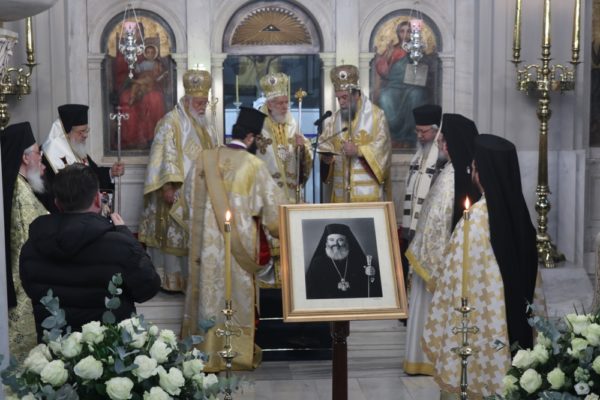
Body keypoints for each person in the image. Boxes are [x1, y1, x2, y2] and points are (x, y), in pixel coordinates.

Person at [422, 134, 539, 398]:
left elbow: (452, 280)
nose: (472, 173)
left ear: (481, 173)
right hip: (516, 331)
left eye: (474, 167)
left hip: (478, 333)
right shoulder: (522, 219)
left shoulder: (474, 220)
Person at [181, 107, 287, 372]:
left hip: (206, 251)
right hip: (238, 249)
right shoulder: (253, 165)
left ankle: (203, 352)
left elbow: (184, 205)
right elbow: (275, 216)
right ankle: (233, 354)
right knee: (235, 295)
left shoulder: (204, 159)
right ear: (250, 138)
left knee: (209, 295)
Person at [20, 164, 161, 341]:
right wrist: (127, 235)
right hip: (108, 349)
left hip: (56, 349)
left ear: (57, 203)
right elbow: (148, 288)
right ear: (97, 199)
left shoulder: (32, 246)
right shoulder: (120, 245)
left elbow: (31, 290)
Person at [403, 113, 480, 376]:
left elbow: (439, 224)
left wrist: (427, 260)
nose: (439, 143)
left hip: (435, 264)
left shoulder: (454, 176)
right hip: (429, 258)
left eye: (443, 139)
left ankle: (429, 359)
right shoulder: (450, 171)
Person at [138, 69, 219, 292]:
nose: (202, 107)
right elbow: (164, 155)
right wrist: (168, 187)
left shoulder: (206, 125)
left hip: (200, 192)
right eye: (199, 103)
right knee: (174, 237)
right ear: (188, 99)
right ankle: (172, 282)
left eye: (205, 102)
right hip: (177, 191)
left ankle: (192, 281)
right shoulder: (171, 122)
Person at [1, 122, 49, 359]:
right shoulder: (21, 192)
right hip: (23, 283)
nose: (41, 159)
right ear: (25, 157)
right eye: (38, 153)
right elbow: (31, 238)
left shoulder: (20, 184)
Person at [318, 64, 391, 203]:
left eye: (344, 97)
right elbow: (325, 144)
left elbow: (384, 150)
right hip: (341, 194)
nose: (341, 102)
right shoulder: (335, 119)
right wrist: (326, 159)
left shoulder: (376, 116)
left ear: (356, 94)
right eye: (338, 98)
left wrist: (358, 151)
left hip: (367, 194)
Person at [41, 104, 125, 213]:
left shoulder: (75, 148)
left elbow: (93, 174)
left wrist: (111, 172)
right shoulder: (49, 155)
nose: (85, 135)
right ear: (66, 132)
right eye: (81, 131)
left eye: (86, 130)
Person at [400, 104, 443, 292]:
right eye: (417, 131)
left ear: (435, 130)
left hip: (429, 228)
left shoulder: (441, 157)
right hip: (412, 227)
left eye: (423, 132)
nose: (419, 135)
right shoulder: (418, 155)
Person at [257, 72, 313, 202]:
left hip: (291, 191)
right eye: (280, 103)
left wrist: (302, 148)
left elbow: (306, 155)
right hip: (267, 193)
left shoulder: (292, 124)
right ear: (269, 105)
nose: (285, 107)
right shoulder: (259, 126)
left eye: (286, 102)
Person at [373, 20, 429, 148]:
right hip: (394, 85)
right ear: (398, 33)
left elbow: (425, 69)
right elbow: (382, 70)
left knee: (417, 95)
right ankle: (393, 135)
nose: (405, 34)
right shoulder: (392, 49)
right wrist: (388, 54)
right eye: (402, 31)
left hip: (412, 86)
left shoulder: (417, 49)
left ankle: (411, 135)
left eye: (408, 31)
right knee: (385, 97)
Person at [305, 223, 382, 299]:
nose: (336, 244)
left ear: (346, 242)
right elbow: (310, 291)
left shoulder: (358, 260)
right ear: (326, 242)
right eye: (331, 240)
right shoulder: (317, 263)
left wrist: (372, 275)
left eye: (340, 240)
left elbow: (371, 287)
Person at [118, 42, 167, 150]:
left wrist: (159, 73)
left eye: (152, 52)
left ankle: (151, 136)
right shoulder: (143, 63)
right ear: (145, 53)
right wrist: (134, 66)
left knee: (143, 84)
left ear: (154, 54)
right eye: (148, 52)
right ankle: (133, 97)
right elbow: (136, 70)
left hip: (150, 81)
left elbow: (158, 74)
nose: (150, 54)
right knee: (135, 86)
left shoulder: (156, 64)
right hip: (142, 81)